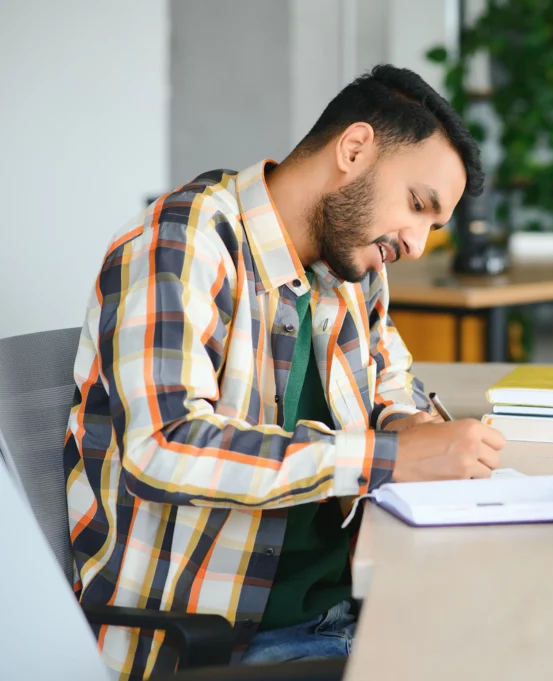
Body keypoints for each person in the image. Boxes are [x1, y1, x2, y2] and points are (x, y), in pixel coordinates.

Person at [63, 64, 506, 679]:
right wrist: (389, 458)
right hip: (220, 646)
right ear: (354, 149)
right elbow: (162, 447)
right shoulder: (184, 241)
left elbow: (390, 384)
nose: (417, 244)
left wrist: (412, 428)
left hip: (346, 614)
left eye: (432, 227)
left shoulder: (351, 265)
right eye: (417, 206)